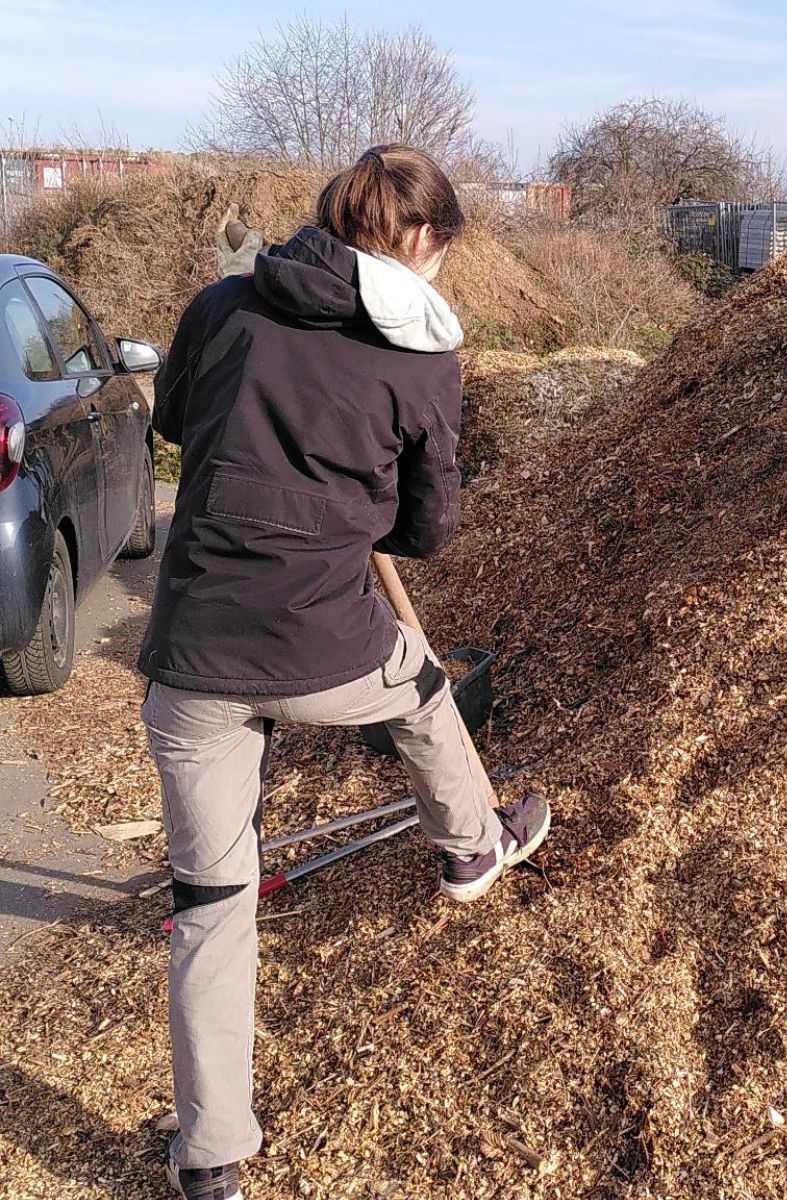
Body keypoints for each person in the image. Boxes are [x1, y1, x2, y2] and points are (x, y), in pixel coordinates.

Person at [139, 144, 550, 1200]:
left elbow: (178, 426)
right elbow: (428, 527)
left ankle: (212, 1156)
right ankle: (473, 848)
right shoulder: (420, 353)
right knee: (421, 692)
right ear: (417, 240)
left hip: (197, 656)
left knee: (212, 898)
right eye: (443, 248)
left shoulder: (222, 306)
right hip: (331, 642)